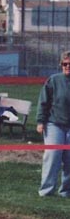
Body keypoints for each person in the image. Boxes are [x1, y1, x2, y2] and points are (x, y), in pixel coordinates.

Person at [36, 52, 70, 198]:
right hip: (54, 124)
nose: (68, 67)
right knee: (53, 154)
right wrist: (40, 121)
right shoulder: (54, 80)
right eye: (65, 64)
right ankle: (46, 190)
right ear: (61, 64)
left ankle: (66, 192)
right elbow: (44, 102)